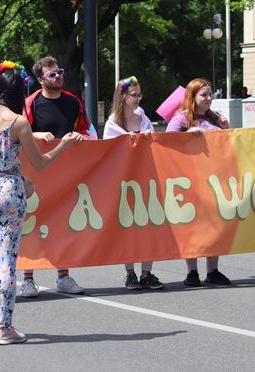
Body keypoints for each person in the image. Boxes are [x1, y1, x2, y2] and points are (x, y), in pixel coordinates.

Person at [0, 60, 83, 344]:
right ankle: (5, 327)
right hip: (9, 191)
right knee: (7, 262)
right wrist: (64, 145)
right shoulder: (19, 122)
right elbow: (40, 162)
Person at [18, 56, 91, 297]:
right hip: (37, 170)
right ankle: (28, 278)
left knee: (63, 223)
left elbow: (85, 129)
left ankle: (63, 276)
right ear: (40, 80)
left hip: (66, 173)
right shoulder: (31, 103)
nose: (58, 76)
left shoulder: (73, 102)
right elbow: (21, 133)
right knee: (32, 222)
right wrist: (38, 134)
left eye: (59, 71)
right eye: (52, 74)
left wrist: (82, 136)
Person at [166, 78, 232, 287]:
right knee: (192, 227)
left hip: (215, 180)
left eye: (210, 94)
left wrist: (226, 128)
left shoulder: (215, 119)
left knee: (215, 226)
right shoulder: (182, 119)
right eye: (204, 95)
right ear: (192, 97)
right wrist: (186, 136)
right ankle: (192, 272)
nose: (209, 99)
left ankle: (212, 270)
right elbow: (166, 144)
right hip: (190, 181)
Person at [103, 76, 164, 290]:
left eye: (139, 95)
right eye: (133, 95)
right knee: (127, 225)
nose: (138, 99)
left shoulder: (143, 118)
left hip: (147, 177)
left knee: (149, 223)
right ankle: (130, 273)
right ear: (123, 97)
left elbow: (154, 143)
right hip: (125, 180)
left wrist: (145, 138)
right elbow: (109, 150)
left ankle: (146, 273)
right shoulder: (113, 122)